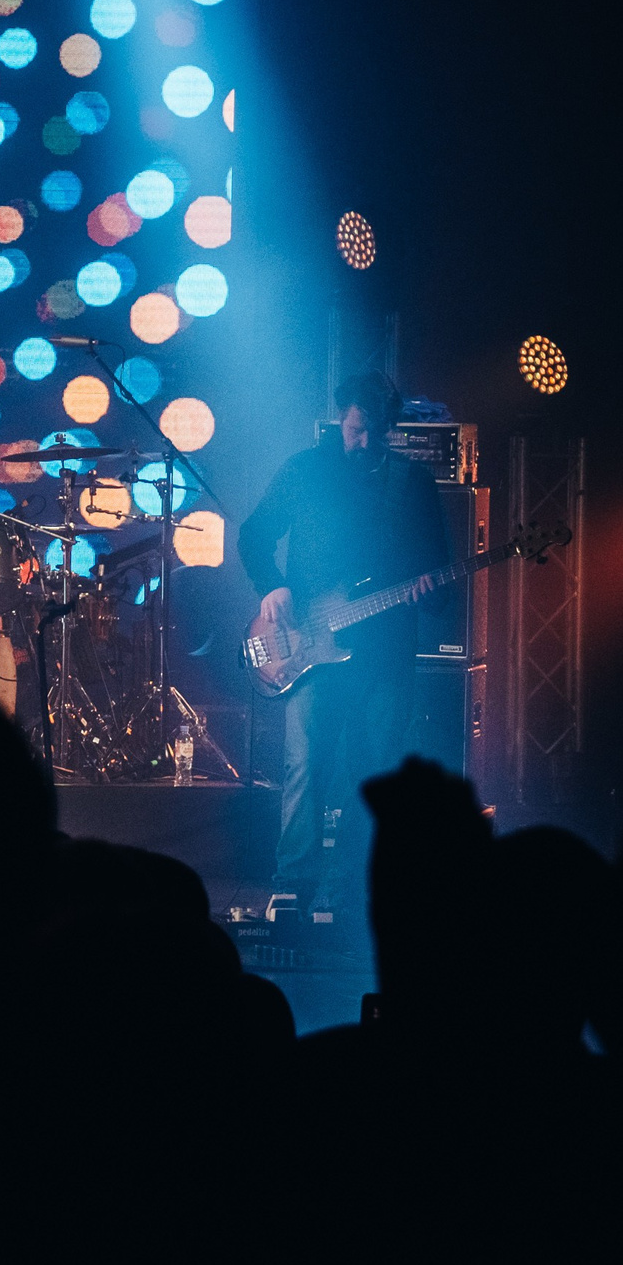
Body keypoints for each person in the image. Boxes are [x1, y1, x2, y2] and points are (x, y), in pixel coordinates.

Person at [237, 373, 449, 921]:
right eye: (357, 429)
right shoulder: (305, 470)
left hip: (386, 651)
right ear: (340, 419)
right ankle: (294, 883)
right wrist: (271, 585)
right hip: (310, 643)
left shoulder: (414, 483)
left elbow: (440, 576)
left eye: (377, 432)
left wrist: (430, 591)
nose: (365, 441)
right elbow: (254, 533)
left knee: (373, 769)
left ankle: (348, 889)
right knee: (306, 763)